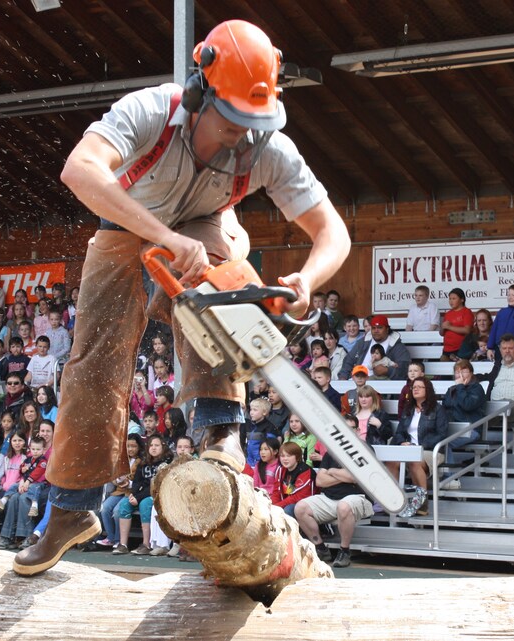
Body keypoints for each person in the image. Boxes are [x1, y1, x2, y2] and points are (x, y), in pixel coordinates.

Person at [18, 20, 350, 578]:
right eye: (233, 118)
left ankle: (220, 429)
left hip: (205, 228)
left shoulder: (267, 147)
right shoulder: (149, 111)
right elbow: (79, 169)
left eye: (254, 120)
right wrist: (164, 237)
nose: (243, 132)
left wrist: (308, 279)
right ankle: (71, 508)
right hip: (125, 222)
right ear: (200, 91)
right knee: (93, 360)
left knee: (216, 284)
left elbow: (333, 232)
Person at [294, 419, 375, 569]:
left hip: (359, 497)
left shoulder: (364, 450)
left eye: (351, 428)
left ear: (358, 431)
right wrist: (344, 475)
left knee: (344, 506)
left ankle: (344, 551)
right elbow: (320, 481)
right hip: (329, 498)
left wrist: (332, 472)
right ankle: (321, 548)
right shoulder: (332, 452)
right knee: (300, 508)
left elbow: (355, 477)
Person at [392, 377, 448, 517]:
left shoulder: (437, 409)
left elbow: (442, 434)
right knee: (390, 463)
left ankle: (422, 503)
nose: (415, 389)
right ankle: (394, 500)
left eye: (419, 387)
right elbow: (399, 433)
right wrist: (401, 442)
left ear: (427, 390)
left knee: (414, 462)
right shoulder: (408, 409)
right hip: (408, 450)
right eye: (413, 387)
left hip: (430, 450)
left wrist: (418, 446)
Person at [338, 315, 410, 380]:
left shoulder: (397, 346)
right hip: (357, 380)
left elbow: (404, 370)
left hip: (379, 385)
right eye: (373, 328)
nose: (376, 331)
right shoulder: (363, 342)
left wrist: (387, 371)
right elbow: (348, 360)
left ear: (387, 329)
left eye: (380, 328)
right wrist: (343, 377)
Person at [275, 441, 314, 518]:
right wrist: (272, 505)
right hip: (287, 502)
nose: (285, 459)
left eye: (289, 456)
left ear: (297, 456)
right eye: (282, 456)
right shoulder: (281, 470)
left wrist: (276, 506)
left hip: (305, 505)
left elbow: (296, 497)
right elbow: (276, 491)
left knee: (287, 510)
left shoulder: (304, 471)